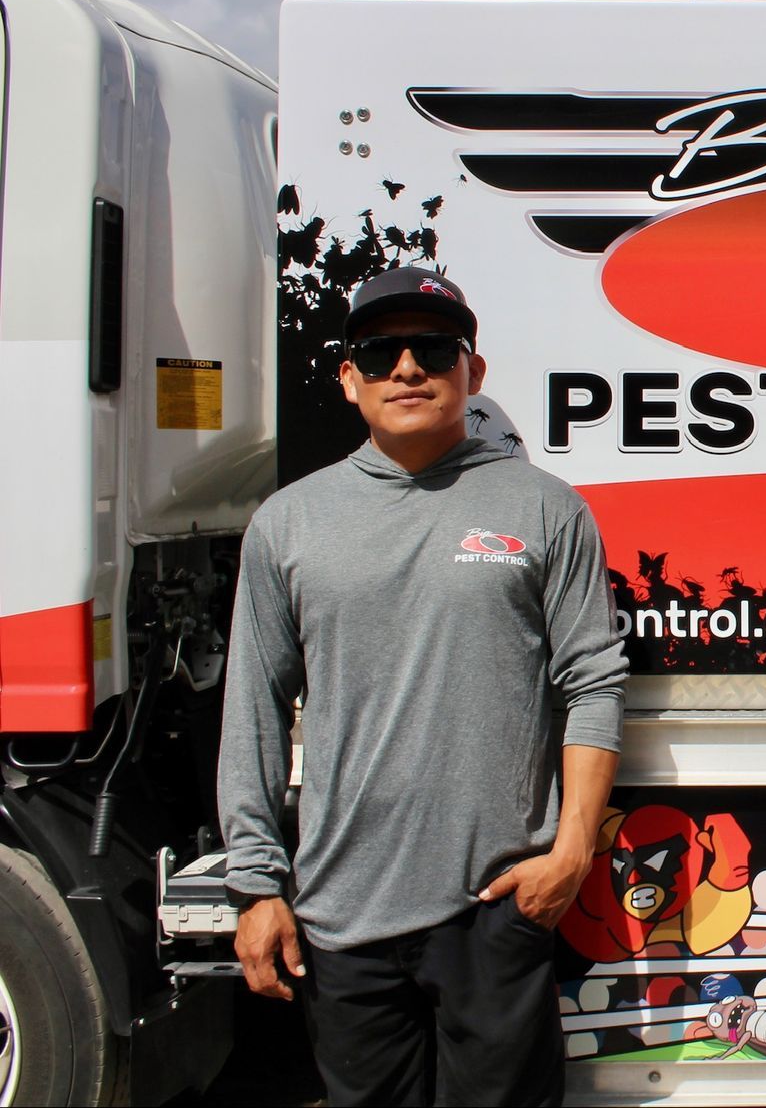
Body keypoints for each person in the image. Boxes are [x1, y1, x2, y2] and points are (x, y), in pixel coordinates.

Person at [218, 267, 628, 1106]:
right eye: (380, 352)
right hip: (340, 914)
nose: (407, 368)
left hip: (495, 907)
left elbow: (592, 684)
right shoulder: (286, 523)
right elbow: (253, 706)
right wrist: (257, 887)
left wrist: (571, 854)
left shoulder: (547, 510)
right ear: (348, 378)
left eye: (432, 348)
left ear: (471, 372)